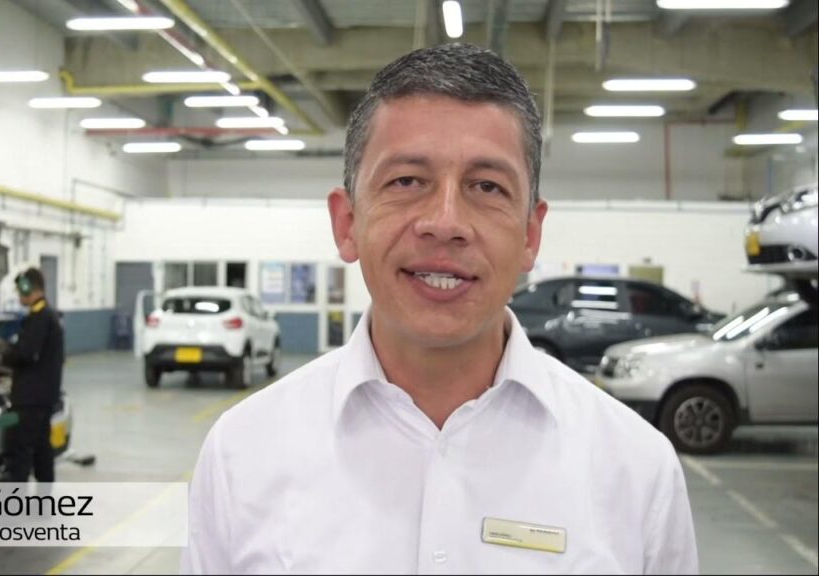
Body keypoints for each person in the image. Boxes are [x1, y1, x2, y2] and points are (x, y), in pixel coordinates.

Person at [182, 43, 697, 574]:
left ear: (530, 235)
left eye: (487, 186)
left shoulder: (636, 469)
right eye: (407, 181)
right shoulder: (243, 452)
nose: (445, 222)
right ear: (347, 224)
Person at [2, 267, 64, 483]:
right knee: (42, 449)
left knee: (21, 452)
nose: (18, 295)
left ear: (28, 288)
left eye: (20, 290)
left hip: (30, 398)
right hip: (43, 396)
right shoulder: (47, 315)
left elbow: (26, 354)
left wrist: (3, 355)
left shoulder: (40, 318)